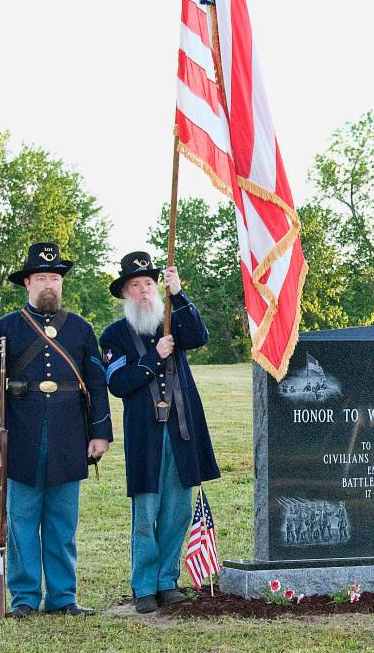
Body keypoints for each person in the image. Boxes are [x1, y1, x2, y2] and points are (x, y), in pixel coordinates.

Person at [0, 242, 112, 618]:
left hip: (70, 436)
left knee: (62, 524)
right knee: (20, 523)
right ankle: (24, 599)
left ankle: (64, 597)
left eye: (55, 277)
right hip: (21, 436)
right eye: (42, 278)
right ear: (28, 283)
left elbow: (96, 384)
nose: (49, 284)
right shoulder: (4, 328)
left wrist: (100, 432)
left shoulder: (81, 329)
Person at [99, 252, 220, 614]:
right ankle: (144, 586)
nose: (143, 292)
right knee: (146, 511)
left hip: (182, 431)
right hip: (145, 436)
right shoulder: (114, 335)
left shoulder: (171, 322)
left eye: (149, 284)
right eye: (135, 286)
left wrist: (179, 293)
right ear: (125, 293)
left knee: (178, 509)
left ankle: (167, 580)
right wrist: (154, 357)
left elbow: (199, 335)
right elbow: (118, 383)